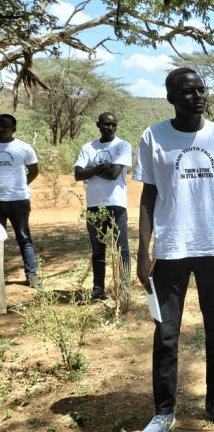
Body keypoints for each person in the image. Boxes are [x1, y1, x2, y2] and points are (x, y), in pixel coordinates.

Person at [133, 68, 214, 432]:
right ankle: (164, 412)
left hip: (213, 247)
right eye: (188, 91)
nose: (198, 96)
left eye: (202, 89)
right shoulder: (153, 137)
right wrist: (142, 247)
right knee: (166, 335)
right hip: (170, 250)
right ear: (170, 97)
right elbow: (148, 195)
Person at [74, 112, 132, 301]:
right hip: (94, 206)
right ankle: (98, 290)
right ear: (97, 125)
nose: (109, 128)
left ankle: (123, 289)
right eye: (106, 124)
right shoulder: (88, 147)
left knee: (122, 248)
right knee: (98, 249)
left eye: (113, 124)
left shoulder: (122, 146)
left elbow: (114, 173)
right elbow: (78, 174)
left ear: (117, 125)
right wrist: (100, 167)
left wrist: (91, 170)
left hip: (116, 203)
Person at [0, 113, 40, 287]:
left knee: (23, 237)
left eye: (5, 127)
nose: (1, 130)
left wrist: (20, 186)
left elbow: (34, 171)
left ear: (14, 128)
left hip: (18, 201)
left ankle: (31, 276)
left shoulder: (24, 148)